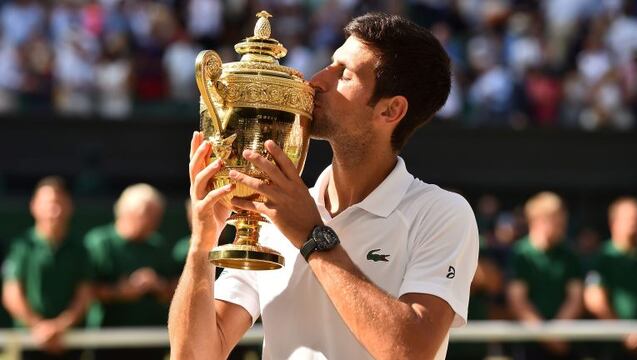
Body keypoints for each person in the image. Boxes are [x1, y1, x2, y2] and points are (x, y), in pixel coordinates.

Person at [169, 12, 479, 360]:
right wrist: (202, 241)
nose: (316, 81)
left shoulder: (441, 214)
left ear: (391, 110)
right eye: (329, 65)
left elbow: (408, 351)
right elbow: (195, 355)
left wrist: (312, 237)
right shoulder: (273, 211)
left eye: (343, 74)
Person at [1, 176, 92, 360]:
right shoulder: (21, 247)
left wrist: (60, 327)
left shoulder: (80, 249)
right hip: (30, 342)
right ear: (34, 206)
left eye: (60, 202)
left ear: (70, 206)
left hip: (70, 342)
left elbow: (85, 295)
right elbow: (11, 294)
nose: (54, 210)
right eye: (49, 203)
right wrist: (38, 327)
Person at [84, 183, 176, 360]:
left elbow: (174, 289)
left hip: (150, 342)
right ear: (126, 212)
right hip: (107, 342)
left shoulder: (158, 245)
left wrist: (158, 285)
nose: (153, 222)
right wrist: (120, 291)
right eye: (147, 214)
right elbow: (86, 289)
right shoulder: (99, 243)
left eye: (157, 216)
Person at [506, 191, 584, 360]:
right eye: (557, 219)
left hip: (565, 344)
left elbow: (576, 298)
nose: (563, 224)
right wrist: (547, 335)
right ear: (538, 220)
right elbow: (518, 301)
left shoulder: (569, 254)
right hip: (531, 346)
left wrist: (556, 332)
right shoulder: (521, 254)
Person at [584, 197, 637, 359]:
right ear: (613, 222)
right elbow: (595, 300)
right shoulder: (602, 257)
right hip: (611, 347)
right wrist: (624, 333)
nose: (634, 224)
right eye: (630, 218)